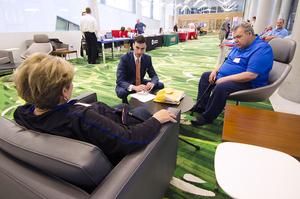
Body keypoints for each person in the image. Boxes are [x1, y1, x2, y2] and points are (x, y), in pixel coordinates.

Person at [13, 53, 177, 166]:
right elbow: (129, 138)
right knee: (142, 112)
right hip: (121, 130)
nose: (72, 85)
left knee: (124, 106)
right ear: (64, 92)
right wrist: (157, 119)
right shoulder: (81, 119)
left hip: (105, 117)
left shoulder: (23, 113)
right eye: (70, 83)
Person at [191, 22, 273, 126]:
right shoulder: (240, 45)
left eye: (239, 37)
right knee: (205, 76)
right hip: (229, 77)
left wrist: (224, 79)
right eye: (234, 37)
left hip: (249, 82)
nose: (236, 40)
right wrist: (215, 70)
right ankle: (201, 106)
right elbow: (227, 60)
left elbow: (250, 75)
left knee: (221, 86)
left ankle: (208, 117)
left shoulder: (262, 49)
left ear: (249, 34)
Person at [115, 35, 164, 104]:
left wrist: (152, 83)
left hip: (139, 81)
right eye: (137, 48)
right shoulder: (124, 58)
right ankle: (125, 102)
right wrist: (134, 87)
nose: (139, 51)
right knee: (121, 93)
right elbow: (120, 80)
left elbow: (154, 76)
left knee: (160, 85)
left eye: (142, 49)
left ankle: (149, 97)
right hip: (127, 83)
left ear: (145, 48)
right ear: (133, 46)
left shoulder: (147, 58)